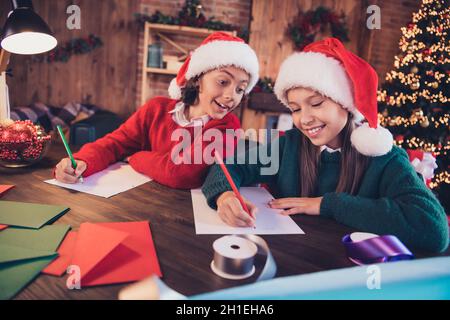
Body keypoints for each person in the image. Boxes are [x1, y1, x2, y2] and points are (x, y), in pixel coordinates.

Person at [201, 37, 448, 252]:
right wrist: (224, 196)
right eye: (295, 109)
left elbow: (434, 230)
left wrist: (325, 204)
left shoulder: (383, 157)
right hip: (291, 262)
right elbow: (230, 166)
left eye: (316, 103)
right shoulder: (290, 145)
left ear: (346, 103)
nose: (304, 119)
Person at [54, 32, 259, 189]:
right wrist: (82, 161)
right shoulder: (156, 109)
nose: (232, 95)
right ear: (197, 79)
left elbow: (181, 174)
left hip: (184, 222)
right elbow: (115, 143)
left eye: (241, 89)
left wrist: (136, 157)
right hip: (140, 204)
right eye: (223, 81)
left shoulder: (227, 126)